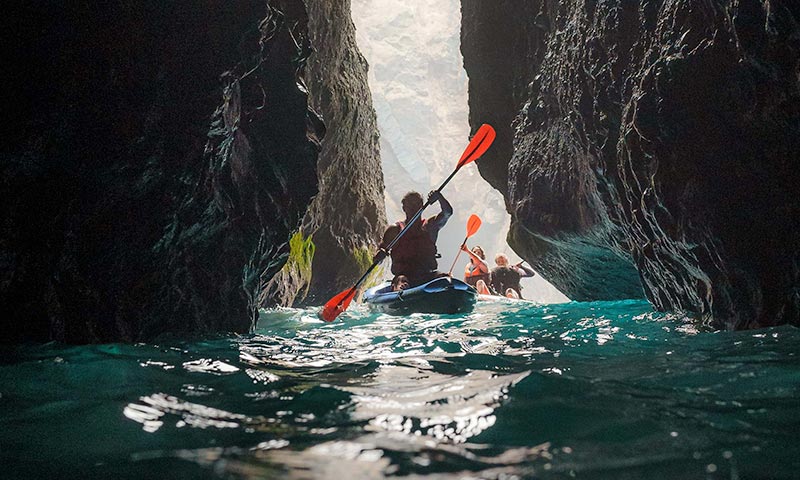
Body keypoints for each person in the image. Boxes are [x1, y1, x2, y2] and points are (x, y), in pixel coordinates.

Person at [375, 190, 453, 287]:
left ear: (422, 206)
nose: (413, 208)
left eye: (416, 204)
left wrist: (439, 197)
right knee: (402, 282)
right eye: (410, 205)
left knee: (445, 279)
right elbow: (379, 254)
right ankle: (401, 291)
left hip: (428, 275)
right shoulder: (395, 230)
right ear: (404, 208)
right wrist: (379, 255)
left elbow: (447, 213)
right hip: (403, 276)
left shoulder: (430, 226)